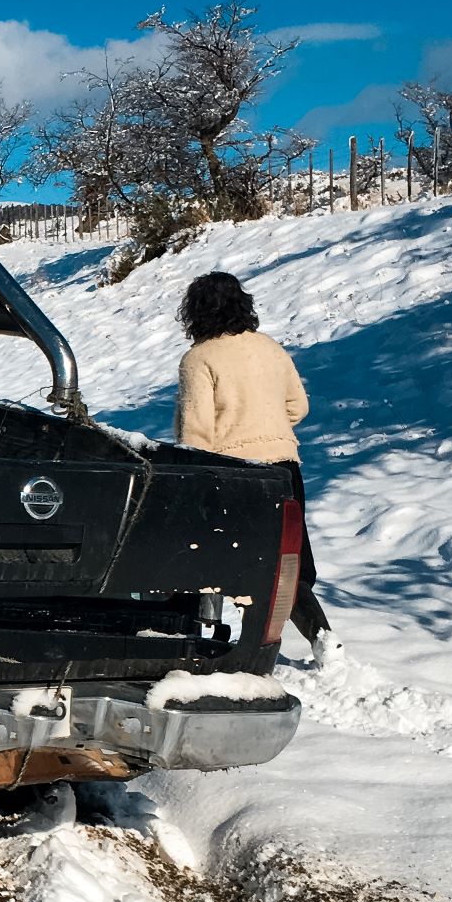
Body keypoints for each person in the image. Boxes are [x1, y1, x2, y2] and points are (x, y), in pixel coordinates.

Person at [173, 271, 332, 649]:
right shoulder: (271, 349)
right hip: (285, 469)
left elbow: (196, 433)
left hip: (233, 474)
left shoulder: (199, 358)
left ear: (195, 313)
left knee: (205, 556)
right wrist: (270, 429)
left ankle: (191, 641)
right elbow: (299, 406)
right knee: (288, 565)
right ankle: (324, 640)